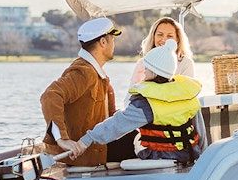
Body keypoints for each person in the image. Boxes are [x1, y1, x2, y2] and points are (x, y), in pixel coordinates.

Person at [62, 39, 204, 165]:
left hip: (161, 156)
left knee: (130, 140)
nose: (144, 72)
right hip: (190, 153)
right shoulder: (186, 93)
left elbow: (117, 124)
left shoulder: (147, 102)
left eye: (146, 68)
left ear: (154, 73)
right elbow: (200, 130)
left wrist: (86, 140)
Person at [40, 16, 121, 168]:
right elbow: (50, 96)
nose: (114, 44)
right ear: (103, 42)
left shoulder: (97, 73)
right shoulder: (84, 73)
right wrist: (62, 139)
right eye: (113, 39)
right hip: (82, 157)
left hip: (98, 149)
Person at [130, 16, 195, 85]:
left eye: (170, 36)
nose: (164, 40)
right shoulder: (143, 63)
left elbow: (186, 92)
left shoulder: (185, 63)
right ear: (153, 37)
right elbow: (130, 93)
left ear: (177, 39)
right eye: (160, 34)